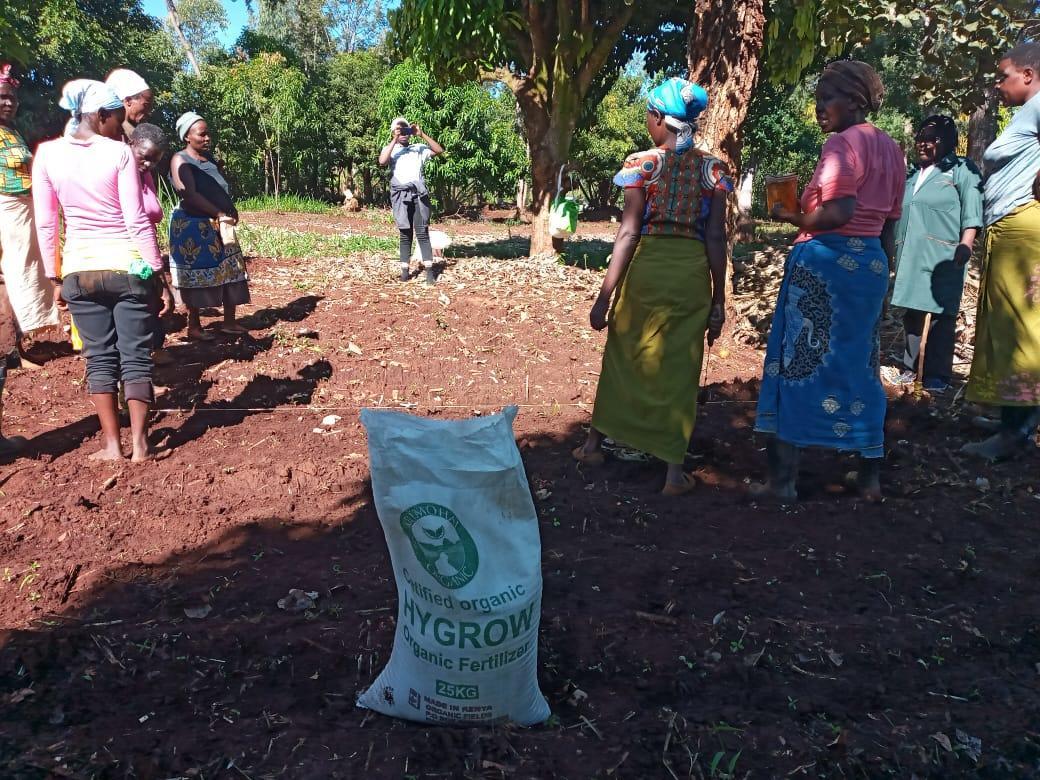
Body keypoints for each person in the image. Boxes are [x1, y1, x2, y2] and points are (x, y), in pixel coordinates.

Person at [753, 60, 905, 501]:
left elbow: (838, 212)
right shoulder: (893, 149)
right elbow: (889, 225)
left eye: (827, 99)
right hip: (869, 266)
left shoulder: (842, 144)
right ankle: (869, 479)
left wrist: (792, 216)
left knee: (798, 364)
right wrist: (881, 271)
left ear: (855, 101)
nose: (820, 109)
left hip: (825, 263)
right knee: (861, 365)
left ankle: (781, 482)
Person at [571, 77, 730, 496]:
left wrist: (604, 297)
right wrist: (719, 299)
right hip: (691, 276)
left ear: (658, 118)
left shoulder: (641, 165)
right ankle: (673, 474)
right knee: (679, 369)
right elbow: (716, 238)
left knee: (624, 355)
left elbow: (627, 234)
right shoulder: (713, 170)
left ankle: (592, 445)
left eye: (647, 115)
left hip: (647, 273)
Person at [32, 80, 164, 462]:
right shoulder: (119, 154)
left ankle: (112, 445)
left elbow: (47, 223)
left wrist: (55, 276)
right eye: (117, 119)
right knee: (136, 354)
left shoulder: (47, 154)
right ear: (102, 115)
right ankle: (140, 444)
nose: (119, 128)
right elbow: (136, 218)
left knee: (100, 357)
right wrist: (156, 271)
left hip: (79, 269)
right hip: (126, 266)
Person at [962, 43, 1040, 460]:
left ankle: (1016, 433)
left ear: (1028, 74)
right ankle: (1012, 417)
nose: (997, 83)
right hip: (1009, 228)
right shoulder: (1028, 112)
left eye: (1003, 74)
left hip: (1024, 226)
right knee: (1005, 327)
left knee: (1020, 328)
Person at [890, 115, 983, 392]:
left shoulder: (962, 169)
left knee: (942, 315)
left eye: (933, 139)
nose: (924, 143)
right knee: (913, 312)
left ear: (948, 143)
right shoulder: (912, 175)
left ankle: (937, 377)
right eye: (921, 137)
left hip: (944, 255)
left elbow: (972, 212)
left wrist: (966, 244)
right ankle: (910, 368)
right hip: (911, 253)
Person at [168, 111, 249, 340]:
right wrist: (219, 212)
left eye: (207, 134)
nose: (207, 138)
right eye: (201, 134)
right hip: (194, 225)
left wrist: (228, 212)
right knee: (195, 273)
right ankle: (194, 326)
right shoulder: (180, 159)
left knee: (231, 269)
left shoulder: (210, 160)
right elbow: (189, 194)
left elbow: (219, 190)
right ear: (187, 136)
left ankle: (230, 322)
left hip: (219, 224)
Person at [0, 64, 60, 364]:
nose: (8, 103)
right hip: (6, 210)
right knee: (12, 274)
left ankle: (17, 345)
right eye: (2, 97)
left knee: (22, 274)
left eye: (12, 98)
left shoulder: (11, 131)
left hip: (22, 208)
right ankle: (10, 350)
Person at [378, 116, 444, 285]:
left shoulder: (418, 148)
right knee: (405, 233)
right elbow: (382, 161)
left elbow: (439, 150)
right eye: (399, 131)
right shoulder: (391, 149)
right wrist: (394, 139)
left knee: (422, 232)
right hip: (401, 196)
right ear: (394, 132)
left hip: (418, 195)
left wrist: (421, 134)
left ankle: (429, 273)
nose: (403, 135)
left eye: (406, 131)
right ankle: (405, 272)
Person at [129, 123, 175, 356]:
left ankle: (149, 358)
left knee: (151, 307)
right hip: (130, 255)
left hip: (146, 249)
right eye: (145, 157)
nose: (148, 165)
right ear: (131, 145)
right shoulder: (122, 176)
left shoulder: (145, 176)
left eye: (154, 161)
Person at [105, 68, 154, 141]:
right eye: (146, 105)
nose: (149, 112)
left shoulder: (134, 134)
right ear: (128, 101)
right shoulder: (110, 131)